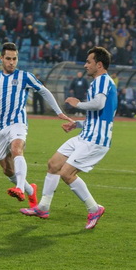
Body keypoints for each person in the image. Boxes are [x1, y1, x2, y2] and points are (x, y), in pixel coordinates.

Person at [20, 46, 117, 230]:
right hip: (86, 134)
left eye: (89, 62)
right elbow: (103, 113)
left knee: (66, 173)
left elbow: (99, 104)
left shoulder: (102, 80)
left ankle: (94, 208)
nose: (85, 65)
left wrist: (78, 104)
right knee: (54, 164)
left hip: (95, 139)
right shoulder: (99, 82)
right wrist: (78, 124)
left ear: (99, 64)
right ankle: (43, 207)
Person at [0, 42, 69, 208]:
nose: (12, 62)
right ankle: (30, 190)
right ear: (1, 58)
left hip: (18, 123)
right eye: (8, 59)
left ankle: (20, 188)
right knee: (7, 169)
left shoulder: (24, 76)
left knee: (17, 149)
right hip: (0, 126)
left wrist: (58, 112)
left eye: (14, 59)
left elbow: (44, 91)